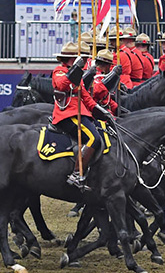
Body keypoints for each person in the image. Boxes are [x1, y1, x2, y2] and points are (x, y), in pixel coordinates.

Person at [51, 41, 110, 191]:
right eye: (83, 59)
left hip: (81, 113)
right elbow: (62, 85)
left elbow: (86, 98)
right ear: (73, 59)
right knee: (93, 138)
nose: (85, 62)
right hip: (67, 114)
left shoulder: (78, 75)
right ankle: (77, 174)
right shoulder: (59, 71)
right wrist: (75, 69)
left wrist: (101, 111)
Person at [89, 49, 122, 115]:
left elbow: (107, 98)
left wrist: (116, 107)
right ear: (107, 65)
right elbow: (94, 92)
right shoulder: (96, 77)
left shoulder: (102, 75)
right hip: (95, 109)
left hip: (105, 107)